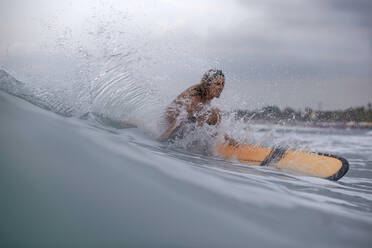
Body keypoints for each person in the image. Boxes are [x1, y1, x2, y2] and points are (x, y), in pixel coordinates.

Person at [158, 69, 225, 142]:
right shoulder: (196, 96)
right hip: (171, 128)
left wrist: (226, 138)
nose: (221, 87)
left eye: (223, 84)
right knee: (214, 114)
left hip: (184, 127)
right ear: (208, 84)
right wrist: (161, 139)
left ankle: (210, 144)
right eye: (218, 84)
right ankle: (204, 146)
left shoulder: (207, 94)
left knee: (216, 113)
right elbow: (180, 119)